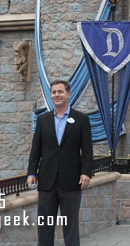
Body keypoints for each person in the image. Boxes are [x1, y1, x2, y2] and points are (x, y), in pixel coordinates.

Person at [27, 80, 93, 246]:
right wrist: (31, 173)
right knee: (45, 226)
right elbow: (36, 149)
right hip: (47, 181)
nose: (57, 95)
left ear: (68, 94)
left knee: (70, 226)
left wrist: (86, 172)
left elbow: (87, 151)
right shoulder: (43, 120)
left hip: (71, 181)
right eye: (54, 92)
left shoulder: (81, 119)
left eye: (60, 92)